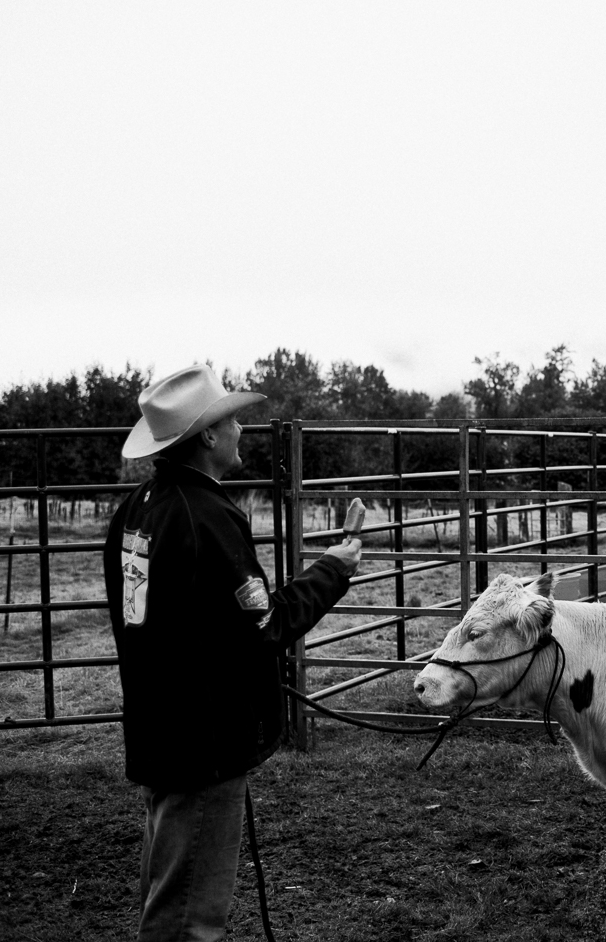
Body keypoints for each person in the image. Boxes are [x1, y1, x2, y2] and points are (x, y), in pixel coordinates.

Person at [103, 365, 361, 942]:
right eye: (232, 420)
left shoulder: (138, 508)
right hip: (205, 742)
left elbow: (144, 620)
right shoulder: (208, 516)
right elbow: (263, 626)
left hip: (160, 730)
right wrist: (333, 571)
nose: (242, 429)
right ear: (209, 437)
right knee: (190, 913)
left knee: (166, 886)